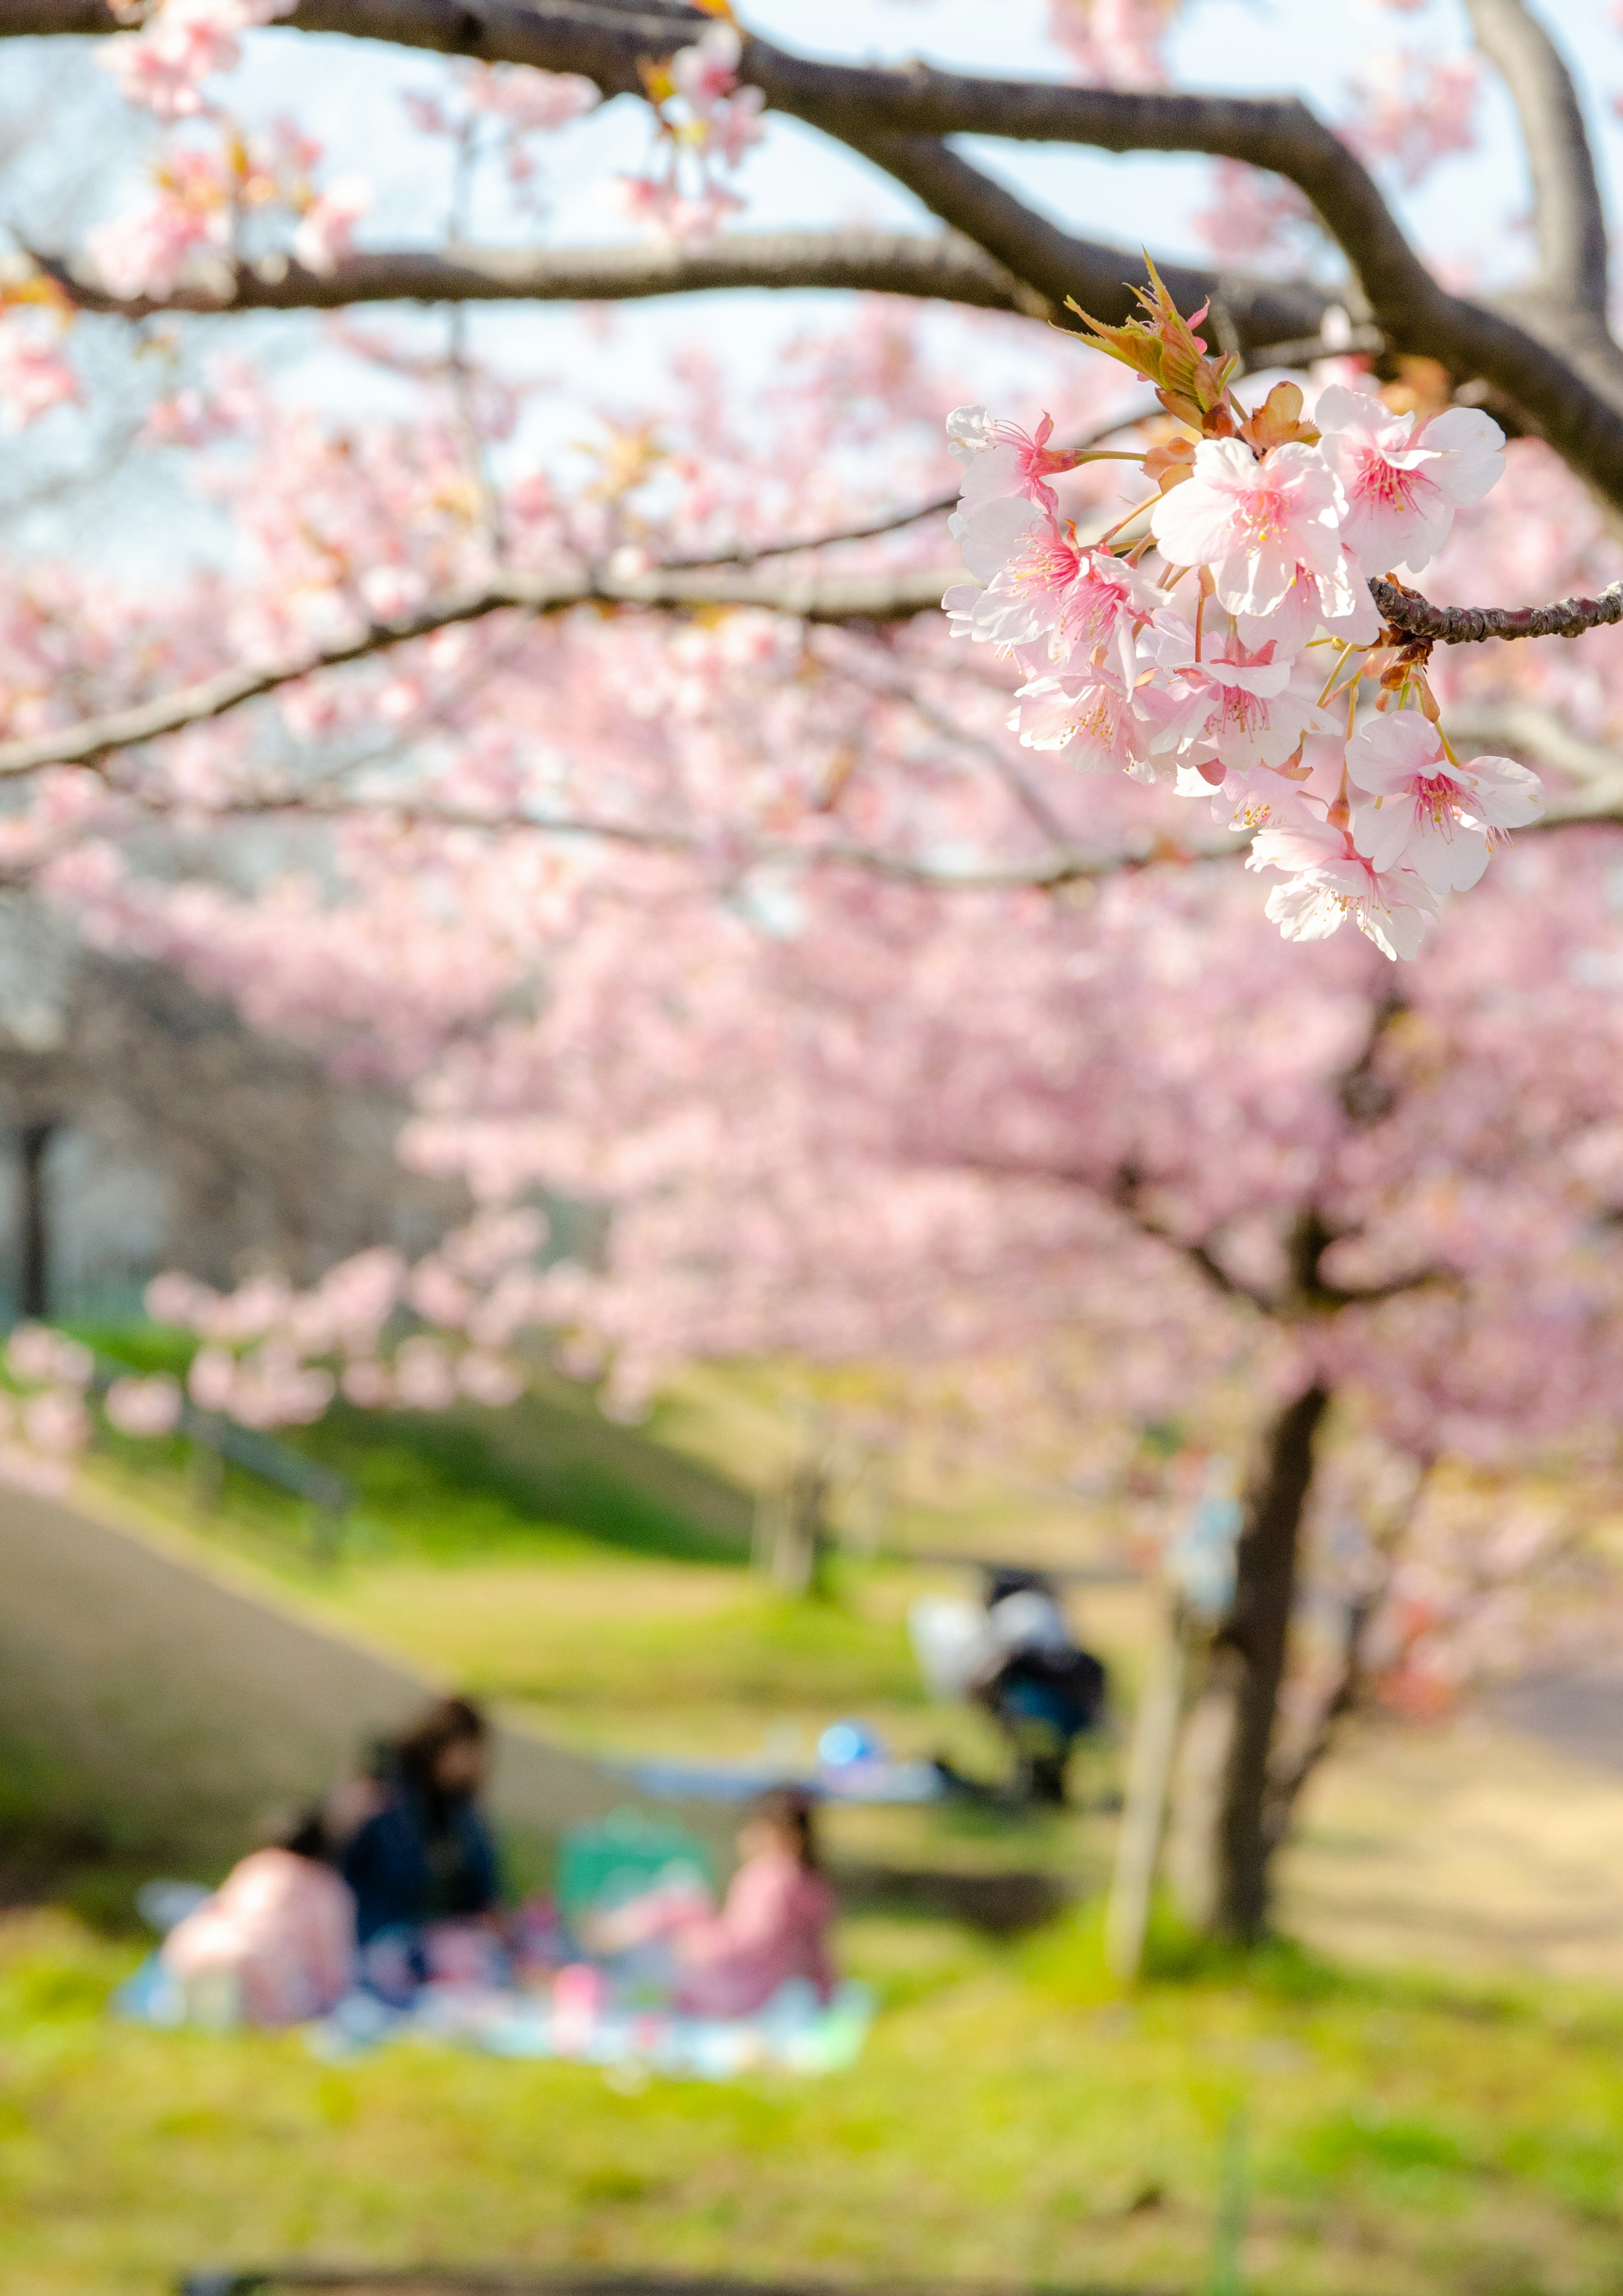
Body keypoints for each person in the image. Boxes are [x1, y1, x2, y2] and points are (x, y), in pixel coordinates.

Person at [588, 1786, 838, 2019]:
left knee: (678, 1900)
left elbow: (748, 1943)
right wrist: (829, 1994)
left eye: (751, 1829)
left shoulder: (769, 1877)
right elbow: (816, 1952)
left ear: (779, 1835)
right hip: (762, 1991)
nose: (743, 1838)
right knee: (682, 1903)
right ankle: (609, 1941)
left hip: (736, 1991)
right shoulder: (811, 1885)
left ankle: (604, 1946)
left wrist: (697, 1944)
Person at [160, 1806, 355, 2027]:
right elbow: (330, 1961)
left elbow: (214, 1908)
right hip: (260, 1962)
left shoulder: (255, 1867)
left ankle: (200, 2001)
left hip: (196, 1945)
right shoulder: (324, 1884)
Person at [340, 1695, 501, 1958]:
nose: (472, 1765)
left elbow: (482, 1887)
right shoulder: (386, 1796)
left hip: (434, 1945)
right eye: (466, 1753)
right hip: (375, 1938)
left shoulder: (462, 1812)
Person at [976, 1568, 1107, 1806]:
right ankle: (1042, 1781)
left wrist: (991, 1711)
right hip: (1068, 1707)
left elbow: (992, 1671)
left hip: (1039, 1703)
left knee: (1028, 1724)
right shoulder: (1048, 1611)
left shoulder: (1011, 1617)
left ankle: (1034, 1782)